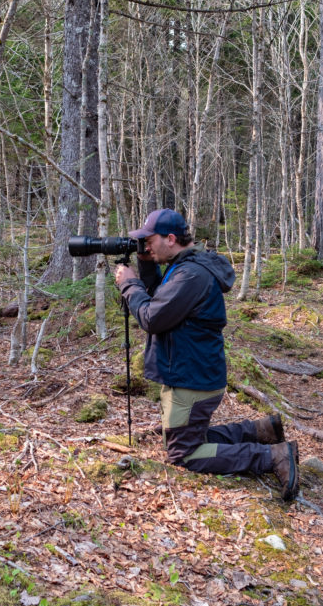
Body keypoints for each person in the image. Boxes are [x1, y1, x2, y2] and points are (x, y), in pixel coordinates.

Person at [113, 208, 300, 501]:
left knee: (183, 454)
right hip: (194, 371)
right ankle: (261, 430)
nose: (146, 246)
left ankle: (271, 456)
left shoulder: (191, 275)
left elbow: (152, 317)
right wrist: (147, 266)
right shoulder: (184, 266)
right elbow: (161, 297)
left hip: (191, 379)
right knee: (186, 438)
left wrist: (128, 283)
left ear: (170, 238)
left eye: (149, 241)